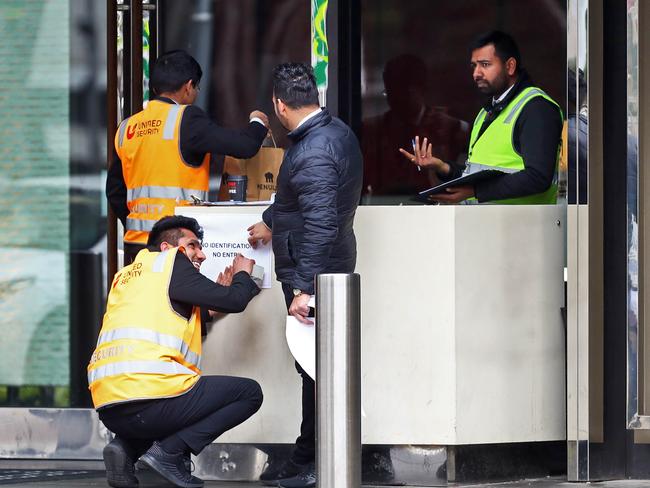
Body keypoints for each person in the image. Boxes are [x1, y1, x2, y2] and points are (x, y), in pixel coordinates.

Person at [246, 62, 363, 488]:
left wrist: (303, 289)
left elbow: (320, 222)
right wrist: (270, 219)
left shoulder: (312, 149)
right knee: (315, 370)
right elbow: (306, 202)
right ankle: (305, 457)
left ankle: (316, 465)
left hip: (316, 275)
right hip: (324, 268)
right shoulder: (332, 134)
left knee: (318, 372)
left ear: (278, 105)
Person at [88, 215, 262, 488]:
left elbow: (165, 314)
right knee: (249, 394)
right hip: (149, 397)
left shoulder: (127, 276)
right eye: (193, 245)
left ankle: (125, 448)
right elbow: (235, 299)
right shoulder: (171, 263)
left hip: (110, 406)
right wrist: (243, 275)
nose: (202, 254)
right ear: (169, 249)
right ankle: (168, 454)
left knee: (171, 400)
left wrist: (209, 306)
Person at [107, 50, 270, 264]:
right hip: (177, 244)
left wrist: (137, 223)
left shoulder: (127, 127)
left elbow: (115, 190)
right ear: (188, 86)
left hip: (137, 246)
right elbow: (244, 146)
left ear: (155, 87)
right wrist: (258, 122)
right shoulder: (186, 119)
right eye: (197, 88)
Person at [400, 31, 563, 204]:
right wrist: (443, 167)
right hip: (488, 226)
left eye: (485, 64)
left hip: (523, 227)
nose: (476, 73)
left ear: (510, 66)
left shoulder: (536, 108)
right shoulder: (487, 111)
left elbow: (538, 177)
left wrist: (475, 191)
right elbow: (478, 174)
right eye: (473, 66)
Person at [362, 54, 468, 198]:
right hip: (379, 206)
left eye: (404, 91)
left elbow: (465, 178)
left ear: (422, 89)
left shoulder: (452, 128)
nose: (397, 98)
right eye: (390, 91)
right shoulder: (370, 130)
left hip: (436, 207)